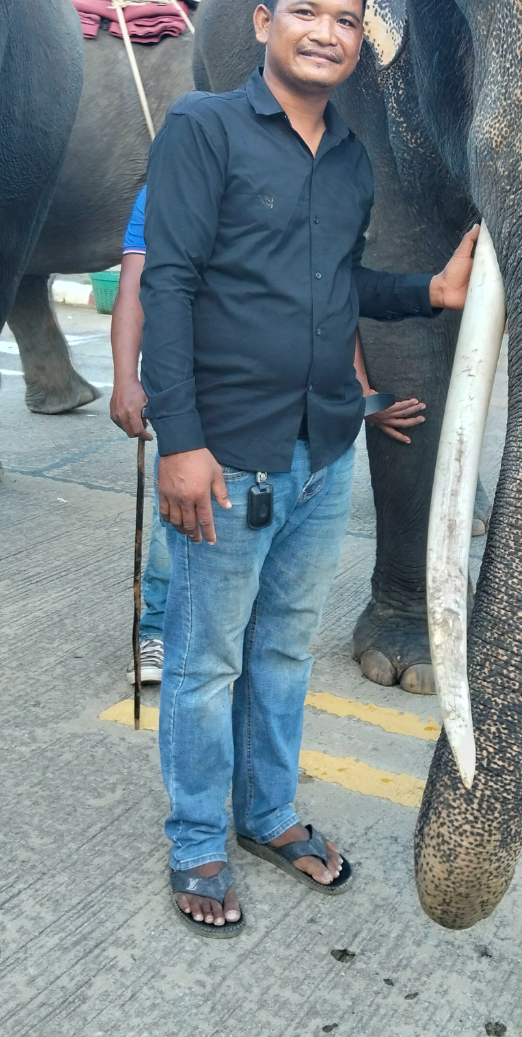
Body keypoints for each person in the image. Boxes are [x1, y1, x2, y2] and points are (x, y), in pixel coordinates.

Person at [140, 0, 478, 933]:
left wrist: (428, 291)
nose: (326, 33)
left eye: (345, 20)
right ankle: (198, 841)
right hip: (227, 454)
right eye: (307, 12)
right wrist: (179, 443)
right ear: (263, 22)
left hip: (324, 455)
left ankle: (268, 814)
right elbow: (168, 285)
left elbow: (340, 286)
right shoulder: (203, 129)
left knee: (284, 650)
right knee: (205, 663)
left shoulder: (350, 159)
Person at [109, 185, 428, 685]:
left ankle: (237, 638)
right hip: (203, 404)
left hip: (283, 413)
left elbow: (327, 303)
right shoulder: (171, 186)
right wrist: (126, 378)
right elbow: (138, 288)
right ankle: (157, 629)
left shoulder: (293, 184)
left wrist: (359, 393)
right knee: (181, 524)